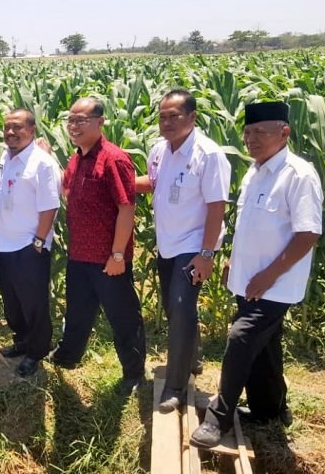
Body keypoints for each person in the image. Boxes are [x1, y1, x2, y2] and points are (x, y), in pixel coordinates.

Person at [191, 102, 322, 448]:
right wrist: (235, 261)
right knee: (265, 349)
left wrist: (267, 276)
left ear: (284, 132)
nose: (251, 139)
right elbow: (250, 225)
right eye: (247, 132)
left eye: (260, 132)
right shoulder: (253, 171)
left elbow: (308, 234)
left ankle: (218, 418)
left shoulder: (298, 174)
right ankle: (271, 410)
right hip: (248, 280)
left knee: (240, 338)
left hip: (275, 286)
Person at [136, 89, 231, 412]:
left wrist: (206, 254)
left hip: (192, 248)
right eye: (162, 116)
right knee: (175, 306)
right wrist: (112, 181)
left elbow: (217, 205)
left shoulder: (208, 154)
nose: (166, 122)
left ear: (192, 117)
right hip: (167, 244)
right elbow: (153, 182)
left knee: (179, 308)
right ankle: (193, 358)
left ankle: (175, 386)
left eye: (174, 116)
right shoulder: (160, 150)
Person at [50, 97, 147, 393]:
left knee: (123, 318)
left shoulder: (113, 158)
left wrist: (118, 254)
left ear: (100, 122)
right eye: (71, 120)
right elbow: (66, 187)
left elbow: (126, 208)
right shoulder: (77, 158)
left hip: (108, 259)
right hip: (80, 255)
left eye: (81, 120)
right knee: (78, 311)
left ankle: (133, 374)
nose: (74, 126)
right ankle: (68, 357)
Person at [0, 108, 61, 377]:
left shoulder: (42, 162)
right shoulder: (5, 157)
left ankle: (36, 351)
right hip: (4, 242)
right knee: (13, 301)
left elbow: (50, 206)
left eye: (18, 127)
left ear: (31, 130)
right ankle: (22, 341)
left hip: (29, 245)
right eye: (7, 127)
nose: (11, 132)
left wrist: (39, 241)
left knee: (33, 302)